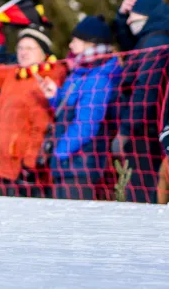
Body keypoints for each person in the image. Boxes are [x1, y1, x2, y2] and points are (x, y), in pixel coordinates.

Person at [0, 23, 65, 196]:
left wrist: (30, 164)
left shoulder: (46, 80)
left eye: (30, 48)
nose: (23, 52)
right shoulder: (14, 73)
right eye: (20, 48)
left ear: (43, 52)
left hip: (26, 169)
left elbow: (41, 126)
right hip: (3, 164)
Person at [112, 0, 169, 203]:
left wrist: (125, 130)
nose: (129, 21)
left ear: (147, 15)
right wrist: (121, 15)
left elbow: (145, 90)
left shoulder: (155, 43)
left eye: (132, 16)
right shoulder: (150, 38)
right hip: (147, 127)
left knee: (143, 188)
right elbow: (128, 42)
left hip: (146, 130)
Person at [43, 16, 122, 200]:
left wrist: (60, 151)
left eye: (75, 40)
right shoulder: (79, 72)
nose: (70, 45)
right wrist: (54, 97)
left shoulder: (98, 77)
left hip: (81, 164)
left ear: (89, 43)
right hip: (68, 164)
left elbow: (86, 125)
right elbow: (67, 111)